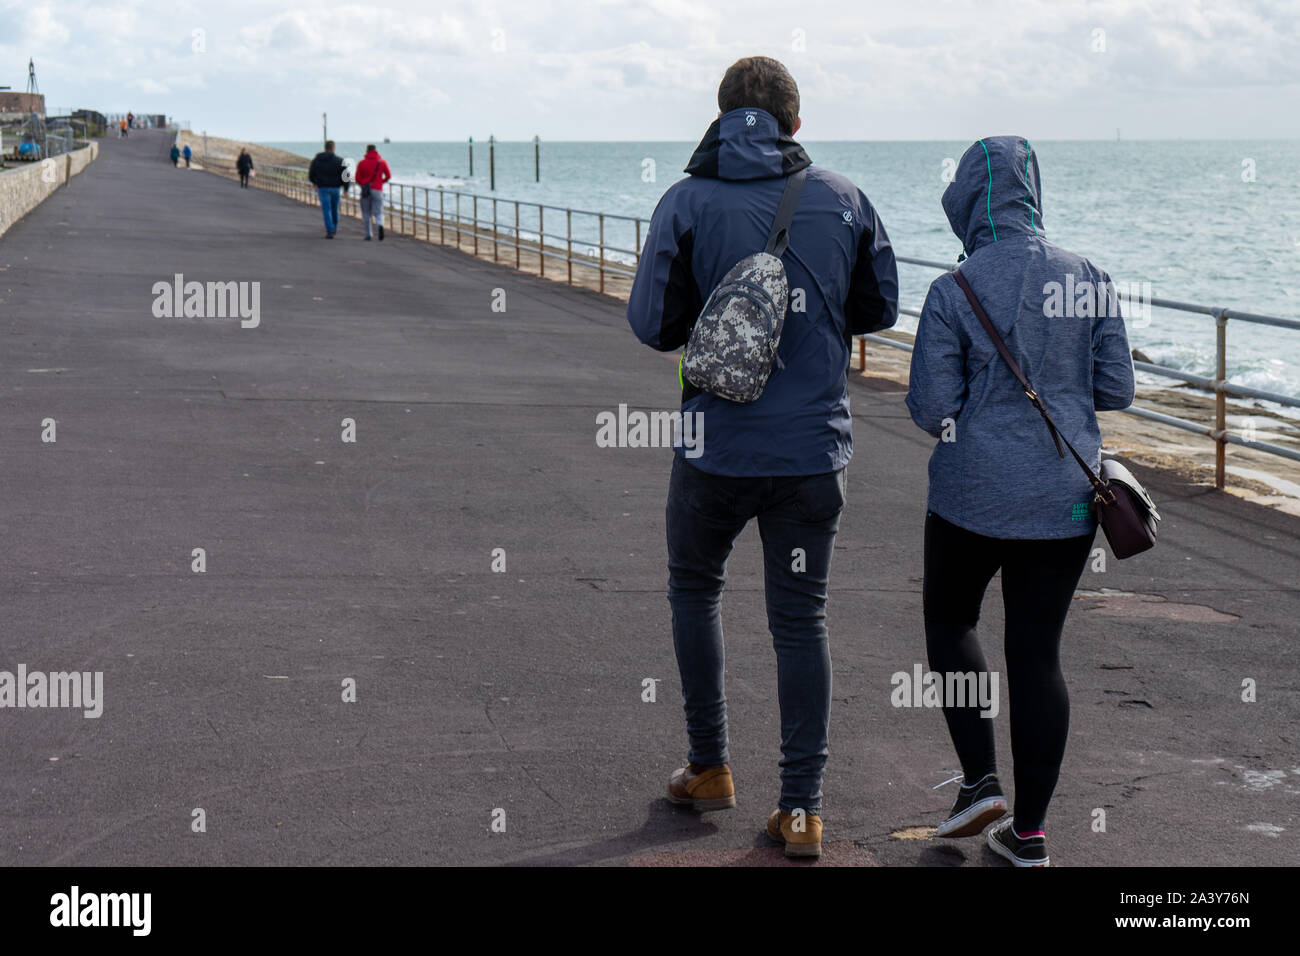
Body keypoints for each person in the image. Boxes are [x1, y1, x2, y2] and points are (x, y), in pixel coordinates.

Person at [626, 56, 898, 858]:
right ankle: (803, 809)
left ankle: (709, 767)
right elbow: (878, 307)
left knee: (694, 587)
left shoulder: (684, 199)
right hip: (813, 453)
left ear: (720, 117)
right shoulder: (845, 199)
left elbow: (652, 324)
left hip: (715, 448)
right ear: (795, 124)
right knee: (800, 619)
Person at [905, 136, 1135, 867]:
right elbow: (1118, 390)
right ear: (1033, 191)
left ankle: (979, 783)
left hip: (969, 495)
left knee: (951, 619)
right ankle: (1028, 834)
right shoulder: (1089, 276)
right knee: (1038, 653)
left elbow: (930, 403)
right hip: (1062, 499)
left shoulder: (954, 288)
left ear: (969, 201)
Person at [308, 140, 347, 239]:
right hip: (335, 188)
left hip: (323, 188)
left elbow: (311, 173)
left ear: (325, 148)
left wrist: (315, 183)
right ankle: (334, 227)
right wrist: (345, 189)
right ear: (333, 148)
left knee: (326, 209)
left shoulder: (317, 160)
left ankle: (330, 230)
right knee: (334, 209)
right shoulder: (340, 160)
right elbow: (346, 176)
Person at [354, 144, 391, 241]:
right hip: (377, 189)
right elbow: (388, 175)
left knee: (366, 213)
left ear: (366, 151)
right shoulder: (382, 162)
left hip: (366, 189)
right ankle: (380, 225)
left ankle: (368, 234)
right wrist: (381, 182)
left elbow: (357, 178)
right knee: (378, 212)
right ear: (376, 151)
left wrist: (363, 184)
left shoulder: (361, 163)